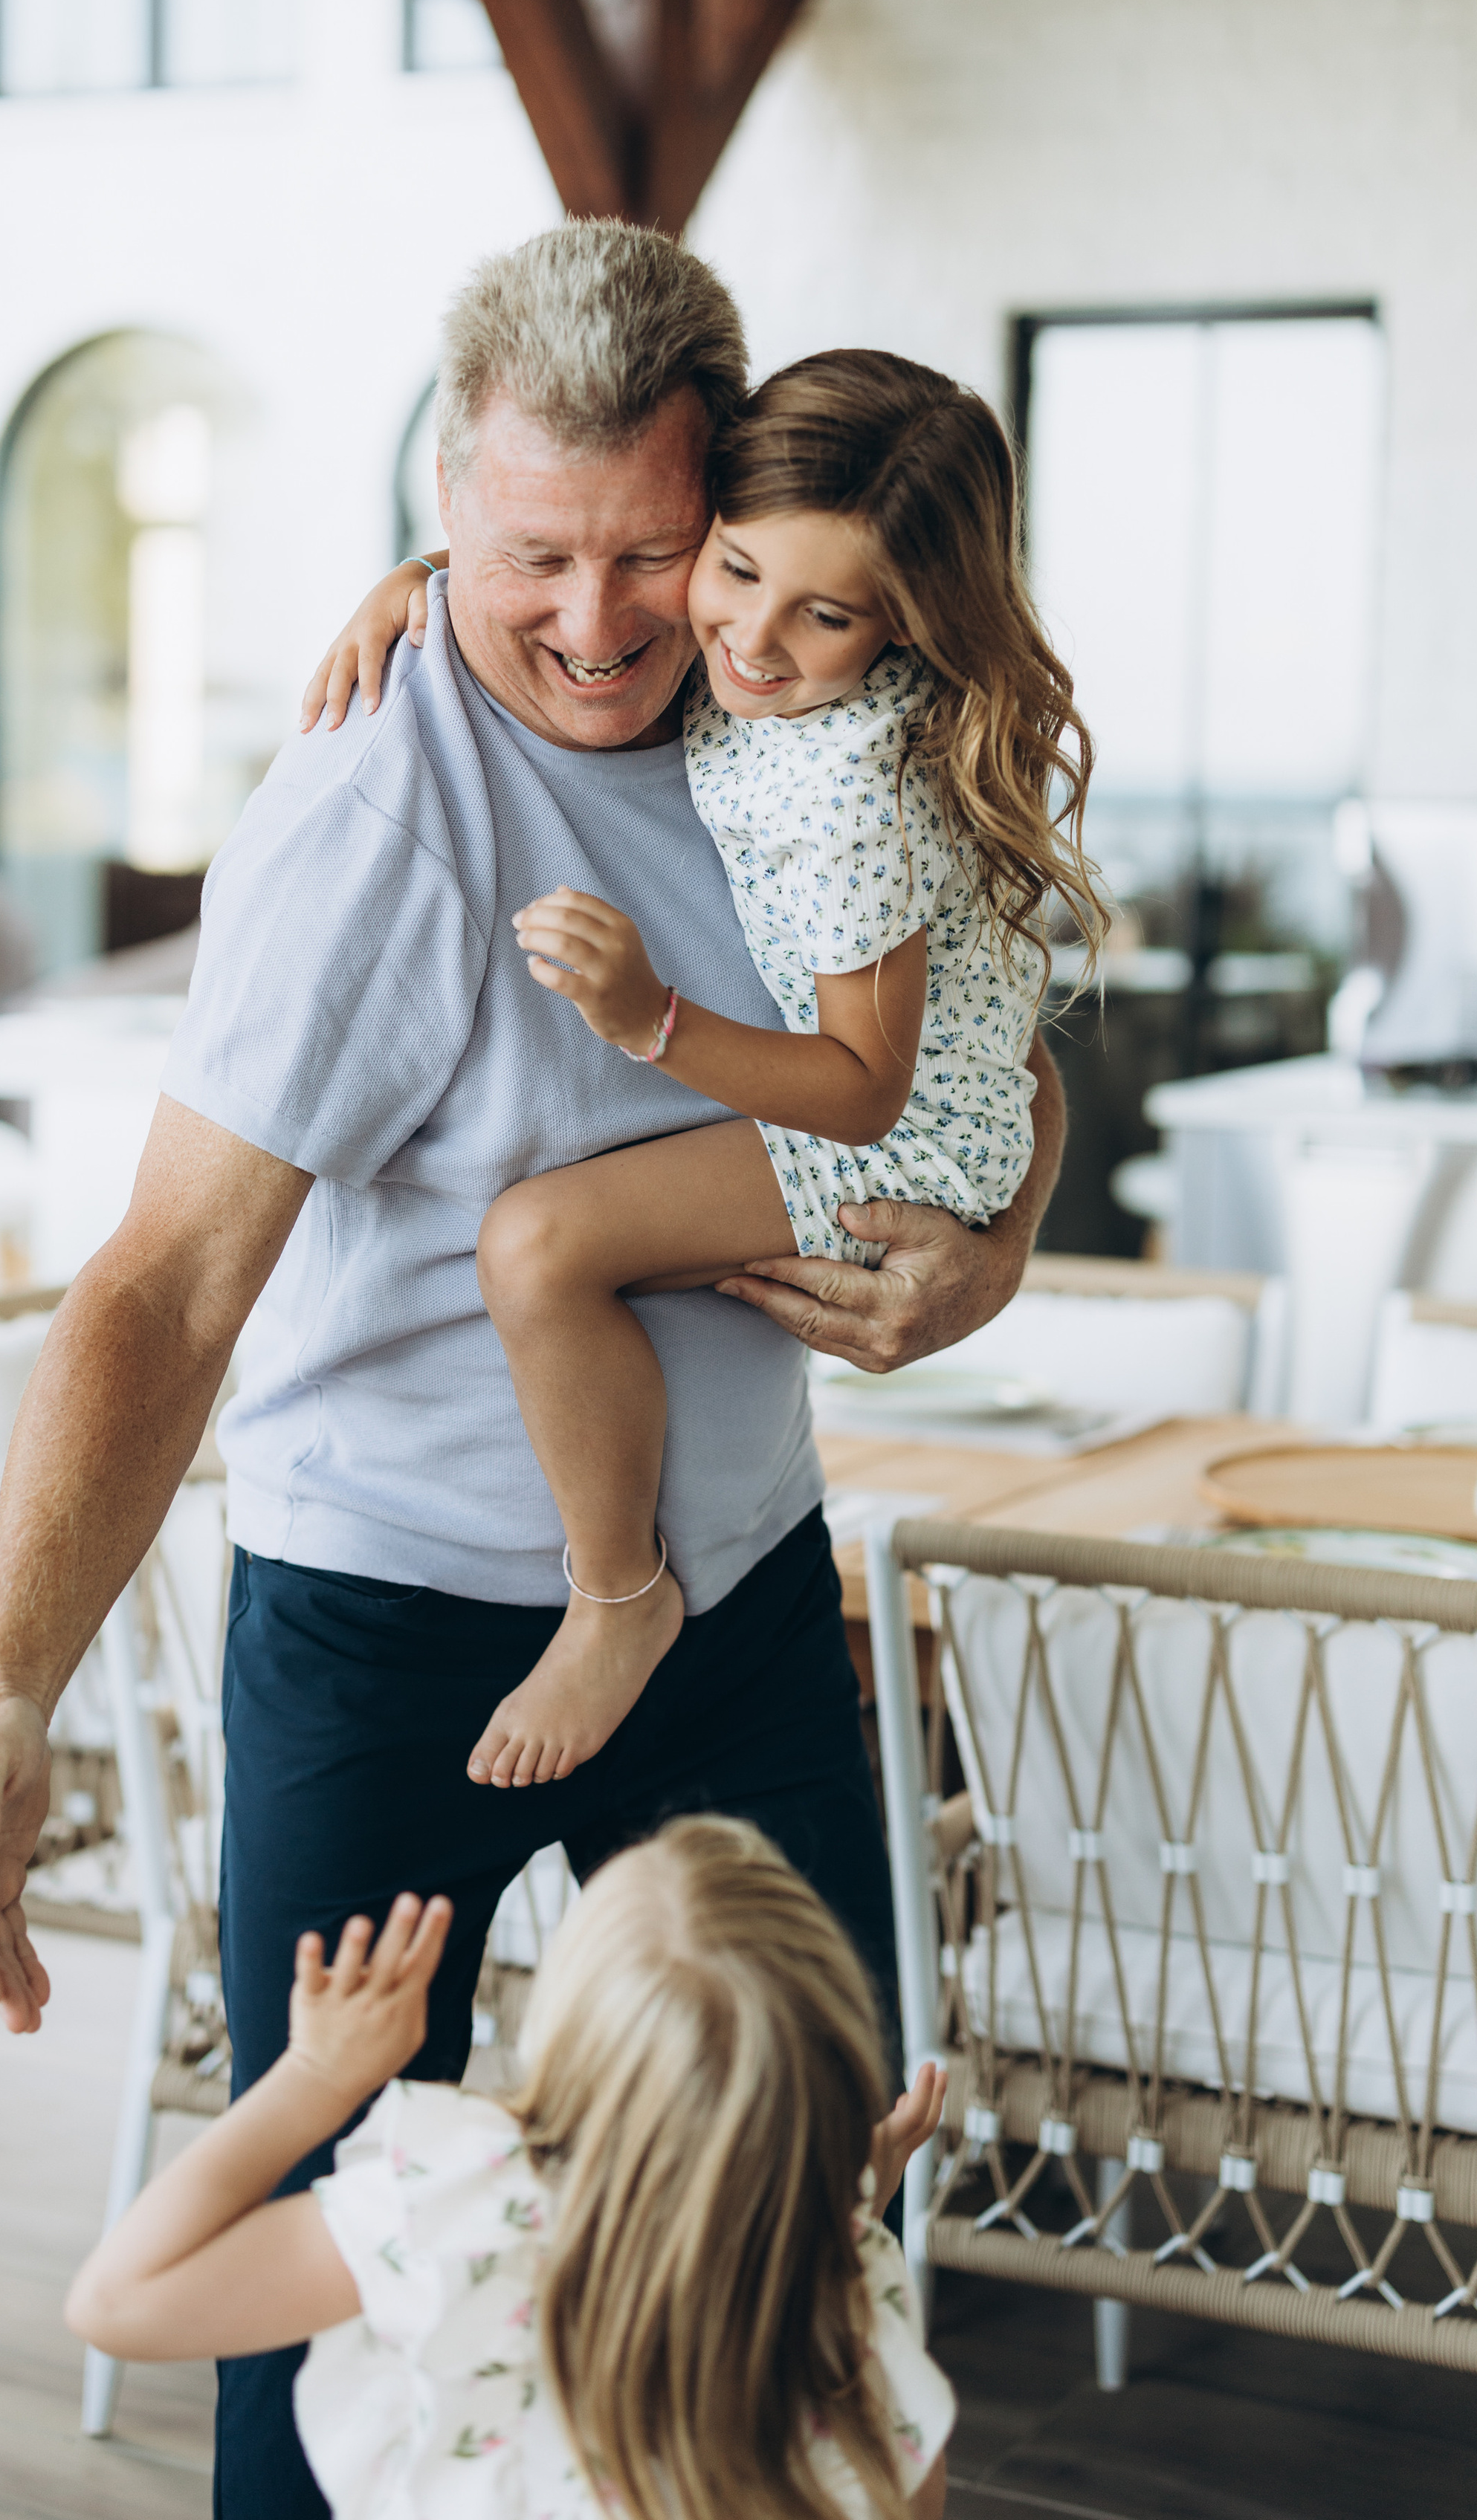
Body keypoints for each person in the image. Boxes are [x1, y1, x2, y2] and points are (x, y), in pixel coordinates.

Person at [0, 221, 1064, 2519]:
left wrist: (991, 1246)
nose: (602, 619)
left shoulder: (810, 700)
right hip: (391, 1634)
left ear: (731, 504)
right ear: (445, 500)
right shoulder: (371, 812)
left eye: (657, 549)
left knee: (808, 2224)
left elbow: (998, 1038)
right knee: (337, 2256)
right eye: (530, 554)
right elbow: (159, 1284)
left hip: (730, 1599)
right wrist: (2, 1693)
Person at [307, 349, 1104, 1789]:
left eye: (824, 615)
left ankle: (618, 1597)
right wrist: (421, 583)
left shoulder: (853, 787)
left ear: (901, 627)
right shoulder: (747, 665)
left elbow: (865, 1085)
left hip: (902, 1135)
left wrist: (648, 1020)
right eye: (731, 571)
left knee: (538, 1246)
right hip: (912, 1094)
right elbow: (591, 564)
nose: (749, 639)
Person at [66, 1817, 953, 2520]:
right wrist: (846, 2209)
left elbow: (116, 2302)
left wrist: (312, 2078)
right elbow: (908, 2497)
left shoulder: (471, 2209)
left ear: (566, 2036)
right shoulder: (846, 2278)